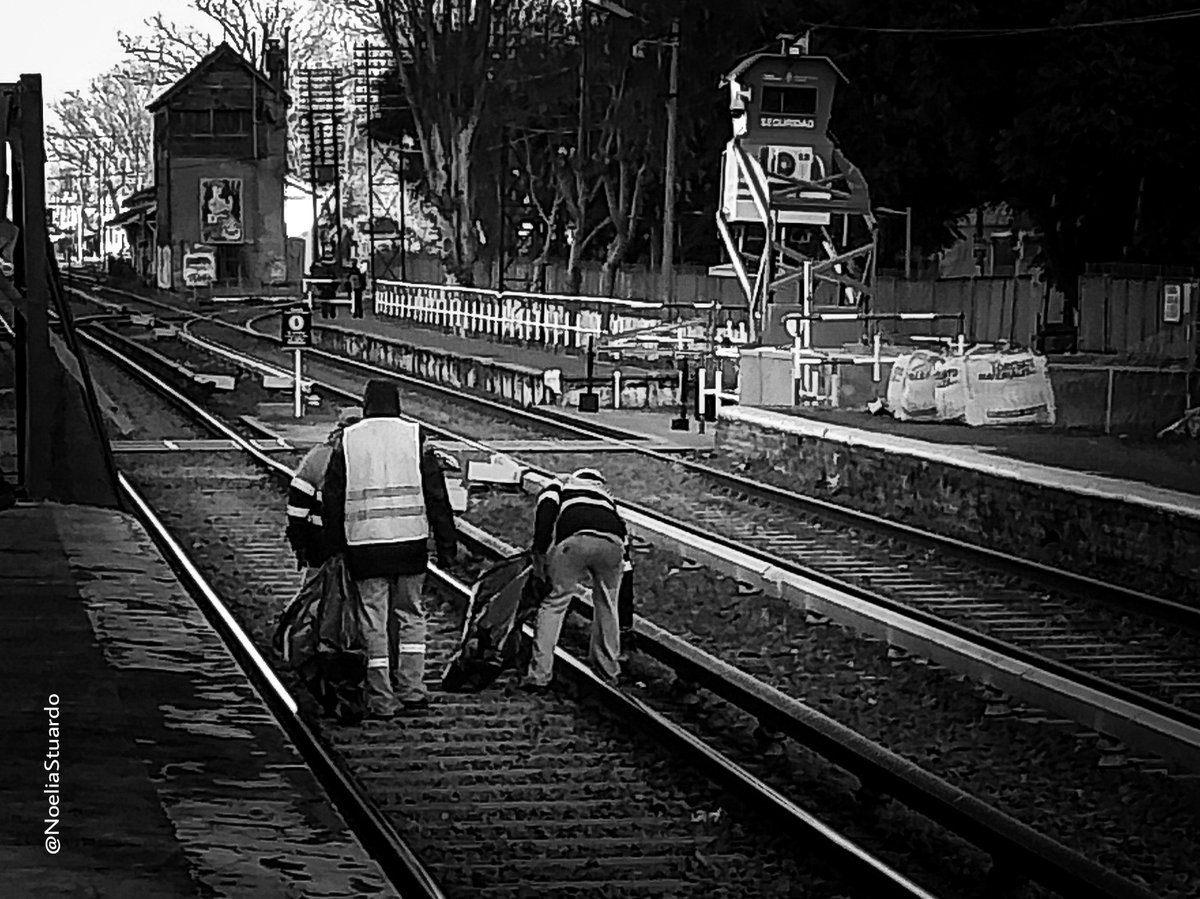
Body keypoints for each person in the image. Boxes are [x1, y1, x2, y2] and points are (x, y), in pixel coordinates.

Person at [323, 379, 458, 720]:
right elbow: (437, 496)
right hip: (410, 544)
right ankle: (412, 689)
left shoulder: (348, 441)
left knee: (374, 620)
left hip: (365, 546)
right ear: (397, 403)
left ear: (366, 404)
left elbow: (332, 500)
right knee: (411, 616)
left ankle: (381, 697)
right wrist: (446, 547)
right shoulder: (415, 437)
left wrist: (334, 548)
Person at [525, 467, 627, 691]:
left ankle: (539, 674)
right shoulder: (607, 497)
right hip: (613, 545)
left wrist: (540, 551)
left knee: (555, 602)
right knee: (608, 605)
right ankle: (608, 671)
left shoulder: (560, 483)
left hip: (575, 540)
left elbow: (546, 509)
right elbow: (623, 537)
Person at [285, 406, 362, 581]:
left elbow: (297, 507)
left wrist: (299, 544)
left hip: (321, 542)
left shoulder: (318, 456)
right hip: (364, 543)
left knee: (315, 597)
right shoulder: (375, 458)